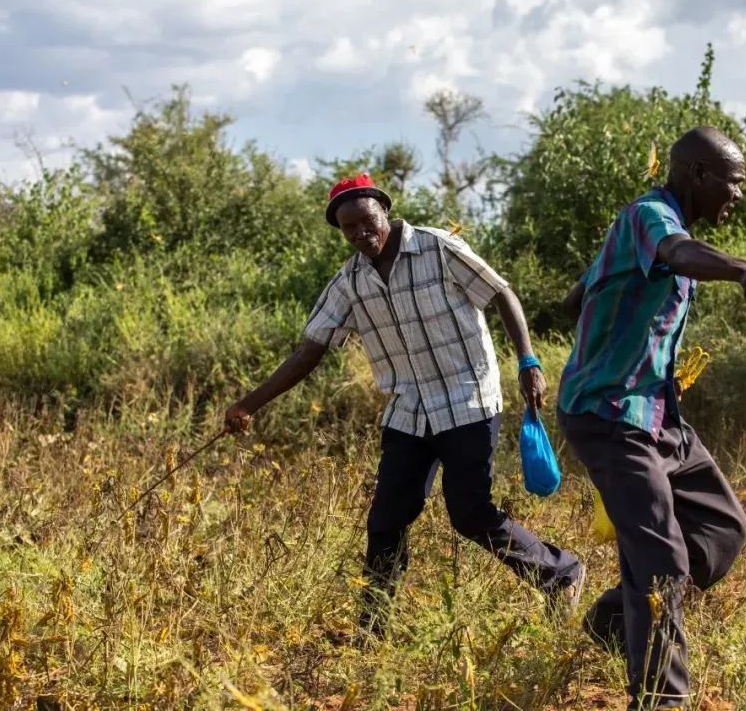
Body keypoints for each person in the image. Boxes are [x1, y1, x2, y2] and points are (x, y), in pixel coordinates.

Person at [225, 173, 584, 635]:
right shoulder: (350, 282)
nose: (360, 234)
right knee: (387, 518)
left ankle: (559, 573)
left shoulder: (437, 247)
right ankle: (372, 630)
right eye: (348, 228)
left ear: (385, 212)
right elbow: (309, 351)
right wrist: (248, 404)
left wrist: (528, 360)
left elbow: (500, 294)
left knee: (470, 513)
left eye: (366, 221)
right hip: (408, 411)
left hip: (467, 399)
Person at [557, 127, 746, 710]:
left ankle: (614, 621)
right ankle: (662, 698)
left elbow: (581, 291)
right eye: (732, 183)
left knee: (722, 529)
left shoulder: (648, 229)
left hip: (659, 415)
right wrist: (742, 271)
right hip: (610, 414)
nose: (737, 194)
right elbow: (676, 252)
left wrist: (592, 291)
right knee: (661, 561)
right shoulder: (651, 217)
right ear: (696, 174)